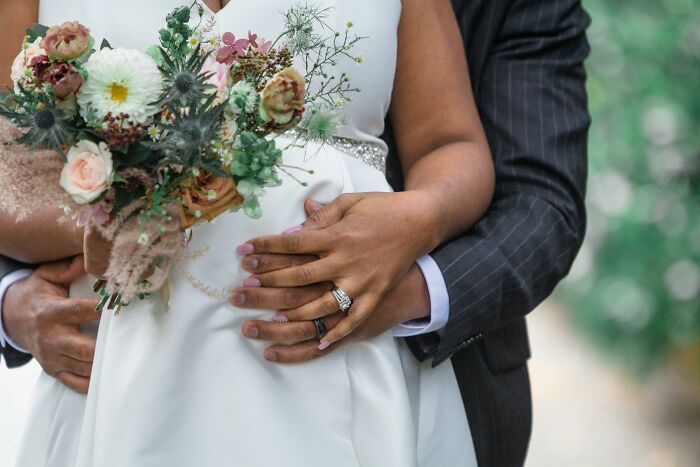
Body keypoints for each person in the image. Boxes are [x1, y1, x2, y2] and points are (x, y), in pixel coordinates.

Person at [1, 1, 591, 466]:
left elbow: (464, 152)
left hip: (343, 365)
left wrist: (420, 219)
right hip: (121, 364)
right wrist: (116, 213)